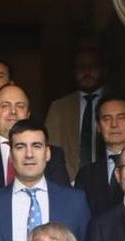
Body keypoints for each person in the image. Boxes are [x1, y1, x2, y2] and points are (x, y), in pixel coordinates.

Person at [0, 84, 71, 214]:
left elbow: (63, 200)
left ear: (28, 114)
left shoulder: (52, 154)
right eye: (5, 106)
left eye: (20, 106)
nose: (13, 112)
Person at [45, 48, 106, 177]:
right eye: (81, 67)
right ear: (73, 71)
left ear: (102, 69)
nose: (87, 71)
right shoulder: (59, 107)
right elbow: (50, 151)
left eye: (93, 66)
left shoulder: (117, 104)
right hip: (69, 182)